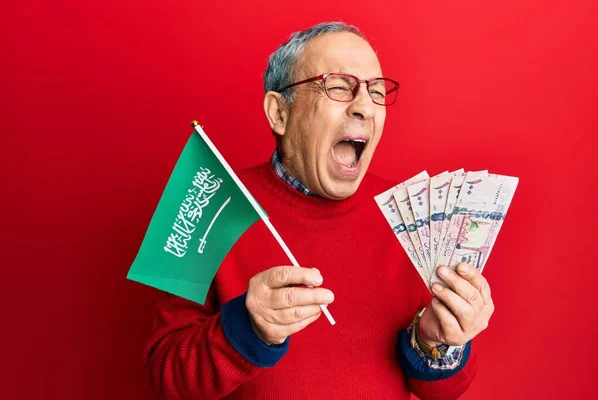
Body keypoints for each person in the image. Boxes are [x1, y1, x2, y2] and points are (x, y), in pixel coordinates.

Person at [144, 22, 494, 400]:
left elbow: (441, 391)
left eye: (376, 91)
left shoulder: (412, 212)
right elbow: (167, 378)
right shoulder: (207, 201)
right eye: (339, 86)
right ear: (279, 113)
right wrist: (248, 328)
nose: (364, 106)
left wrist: (437, 342)